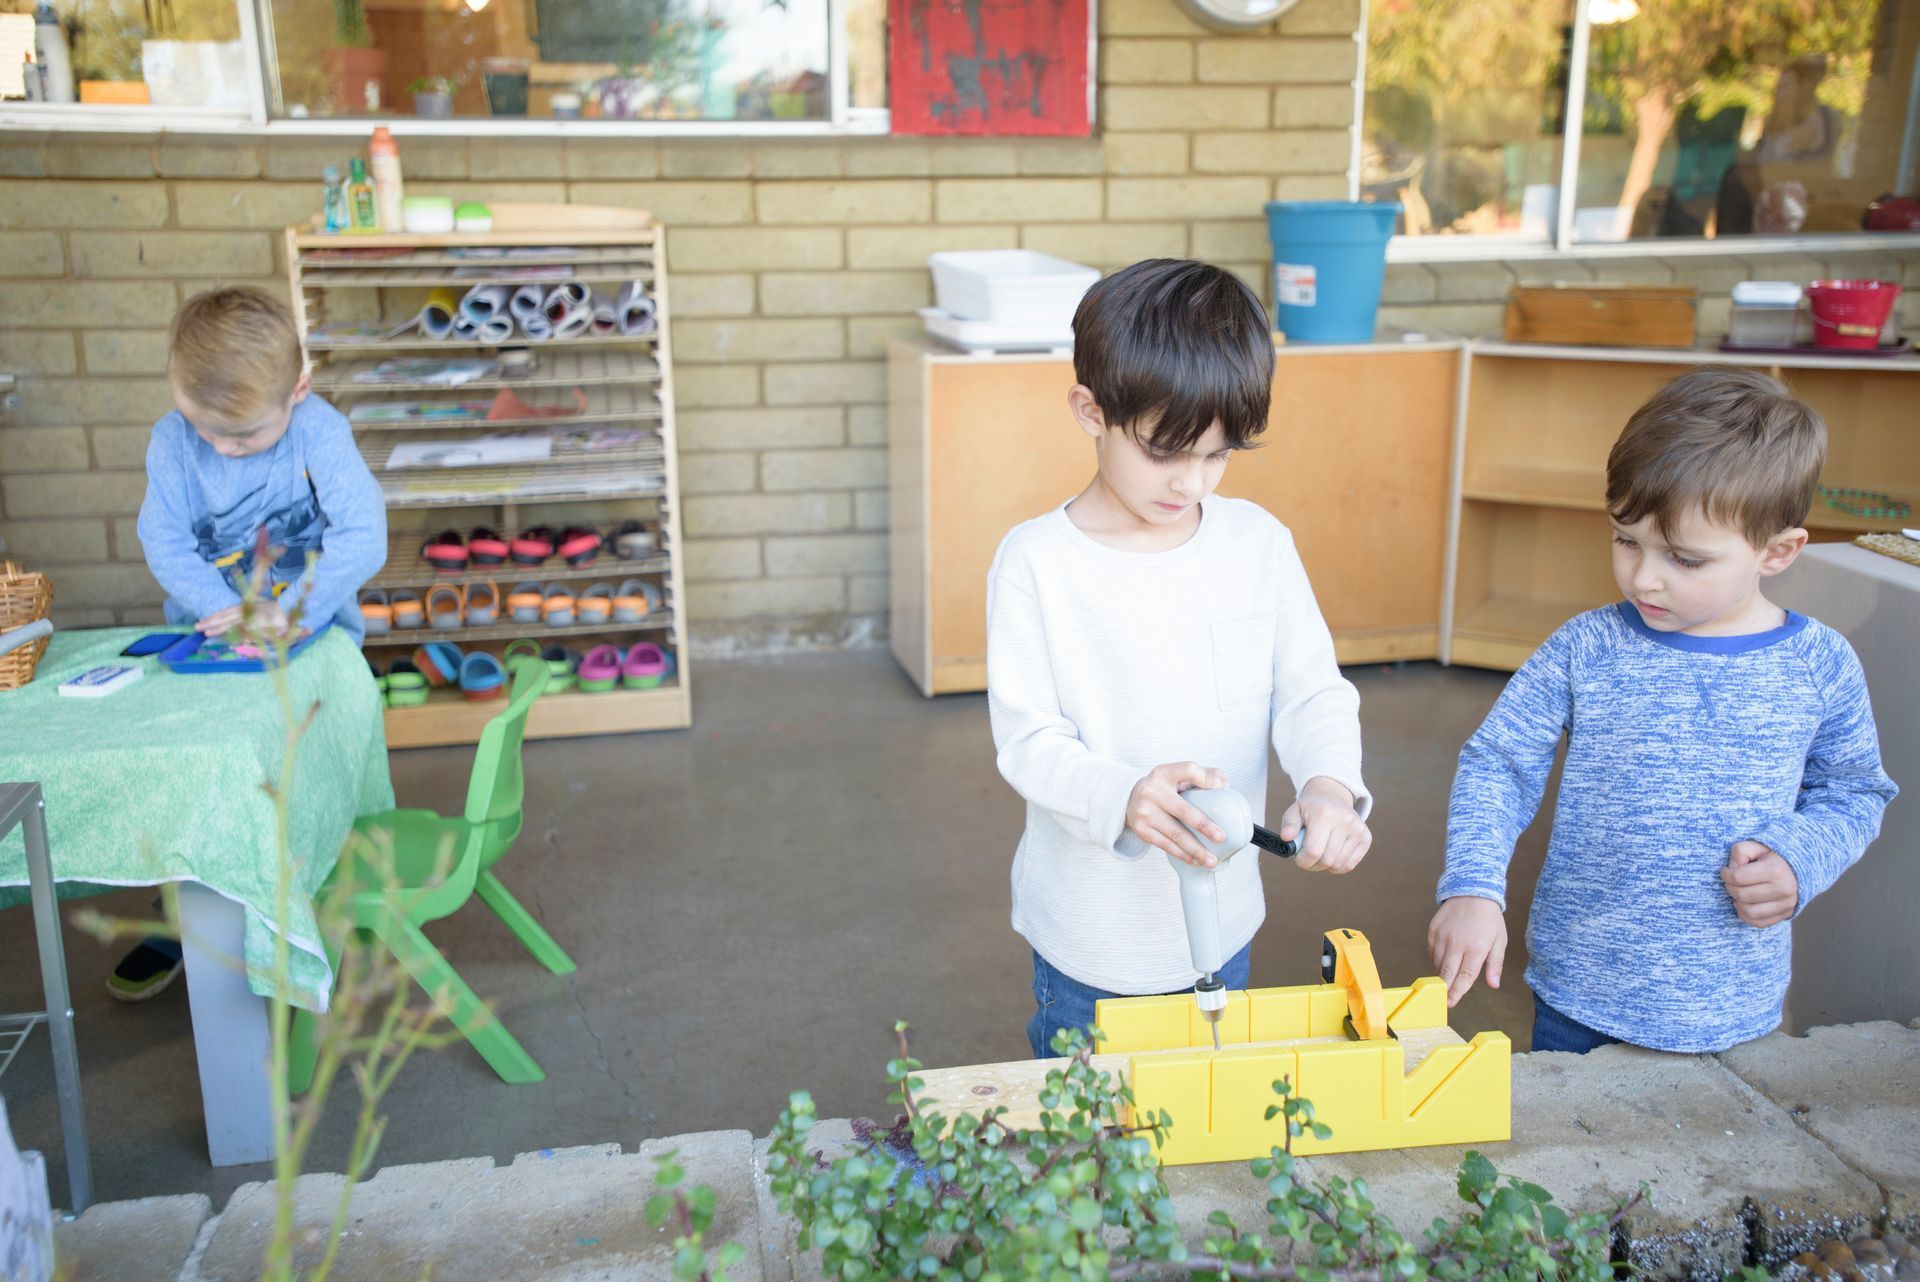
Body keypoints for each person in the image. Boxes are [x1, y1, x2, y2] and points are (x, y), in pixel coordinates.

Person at [1430, 366, 1896, 1054]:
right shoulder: (1586, 646)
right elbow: (1498, 762)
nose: (1644, 577)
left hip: (1736, 1005)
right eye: (1626, 540)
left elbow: (1854, 792)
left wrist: (1801, 859)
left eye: (1684, 558)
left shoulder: (1821, 665)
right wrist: (1472, 886)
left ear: (1777, 552)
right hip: (1579, 995)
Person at [986, 258, 1374, 1059]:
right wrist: (1124, 794)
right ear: (1091, 411)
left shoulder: (1256, 544)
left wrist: (1329, 787)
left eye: (1218, 455)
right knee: (1093, 1125)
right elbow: (1029, 743)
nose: (1191, 482)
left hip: (1226, 923)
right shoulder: (1037, 564)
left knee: (1211, 1106)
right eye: (1165, 452)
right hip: (1091, 941)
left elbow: (1311, 692)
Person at [109, 285, 386, 1001]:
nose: (221, 447)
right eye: (204, 429)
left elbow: (363, 535)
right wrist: (226, 610)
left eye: (243, 436)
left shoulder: (318, 430)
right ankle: (186, 912)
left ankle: (300, 905)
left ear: (299, 390)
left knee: (298, 775)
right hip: (214, 643)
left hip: (314, 639)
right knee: (206, 778)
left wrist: (289, 612)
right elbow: (165, 541)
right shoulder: (173, 440)